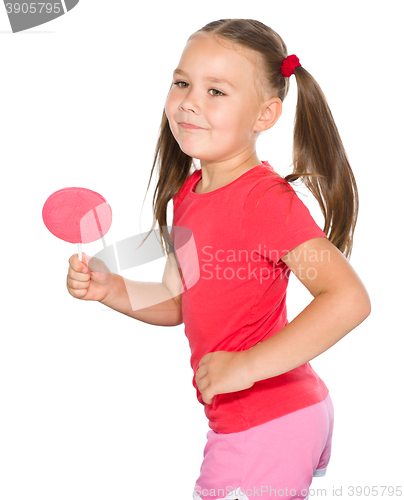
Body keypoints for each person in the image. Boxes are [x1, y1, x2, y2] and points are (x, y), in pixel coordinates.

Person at [66, 18, 371, 500]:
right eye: (183, 83)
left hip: (268, 423)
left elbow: (348, 299)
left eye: (217, 91)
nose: (190, 100)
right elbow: (178, 299)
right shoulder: (188, 195)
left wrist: (247, 366)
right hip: (268, 420)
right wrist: (113, 290)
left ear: (265, 115)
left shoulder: (263, 202)